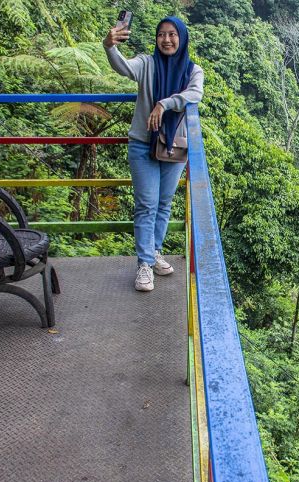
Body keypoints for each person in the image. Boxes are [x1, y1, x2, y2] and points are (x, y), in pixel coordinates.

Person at [103, 16, 204, 291]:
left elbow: (195, 94)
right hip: (142, 143)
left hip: (175, 145)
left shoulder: (193, 70)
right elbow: (123, 68)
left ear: (181, 38)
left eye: (173, 35)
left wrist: (164, 103)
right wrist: (109, 46)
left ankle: (154, 251)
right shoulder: (147, 64)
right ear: (156, 38)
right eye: (162, 35)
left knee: (163, 203)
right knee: (147, 204)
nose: (167, 40)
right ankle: (144, 264)